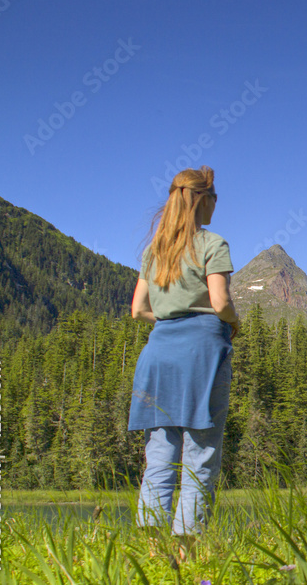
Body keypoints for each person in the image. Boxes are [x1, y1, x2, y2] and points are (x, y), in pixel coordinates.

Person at [128, 165, 240, 557]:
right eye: (215, 198)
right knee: (201, 455)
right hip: (202, 355)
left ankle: (150, 552)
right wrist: (234, 322)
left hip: (158, 355)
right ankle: (186, 550)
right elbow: (221, 302)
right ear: (204, 199)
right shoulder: (213, 242)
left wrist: (170, 317)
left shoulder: (154, 249)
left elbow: (138, 309)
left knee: (159, 455)